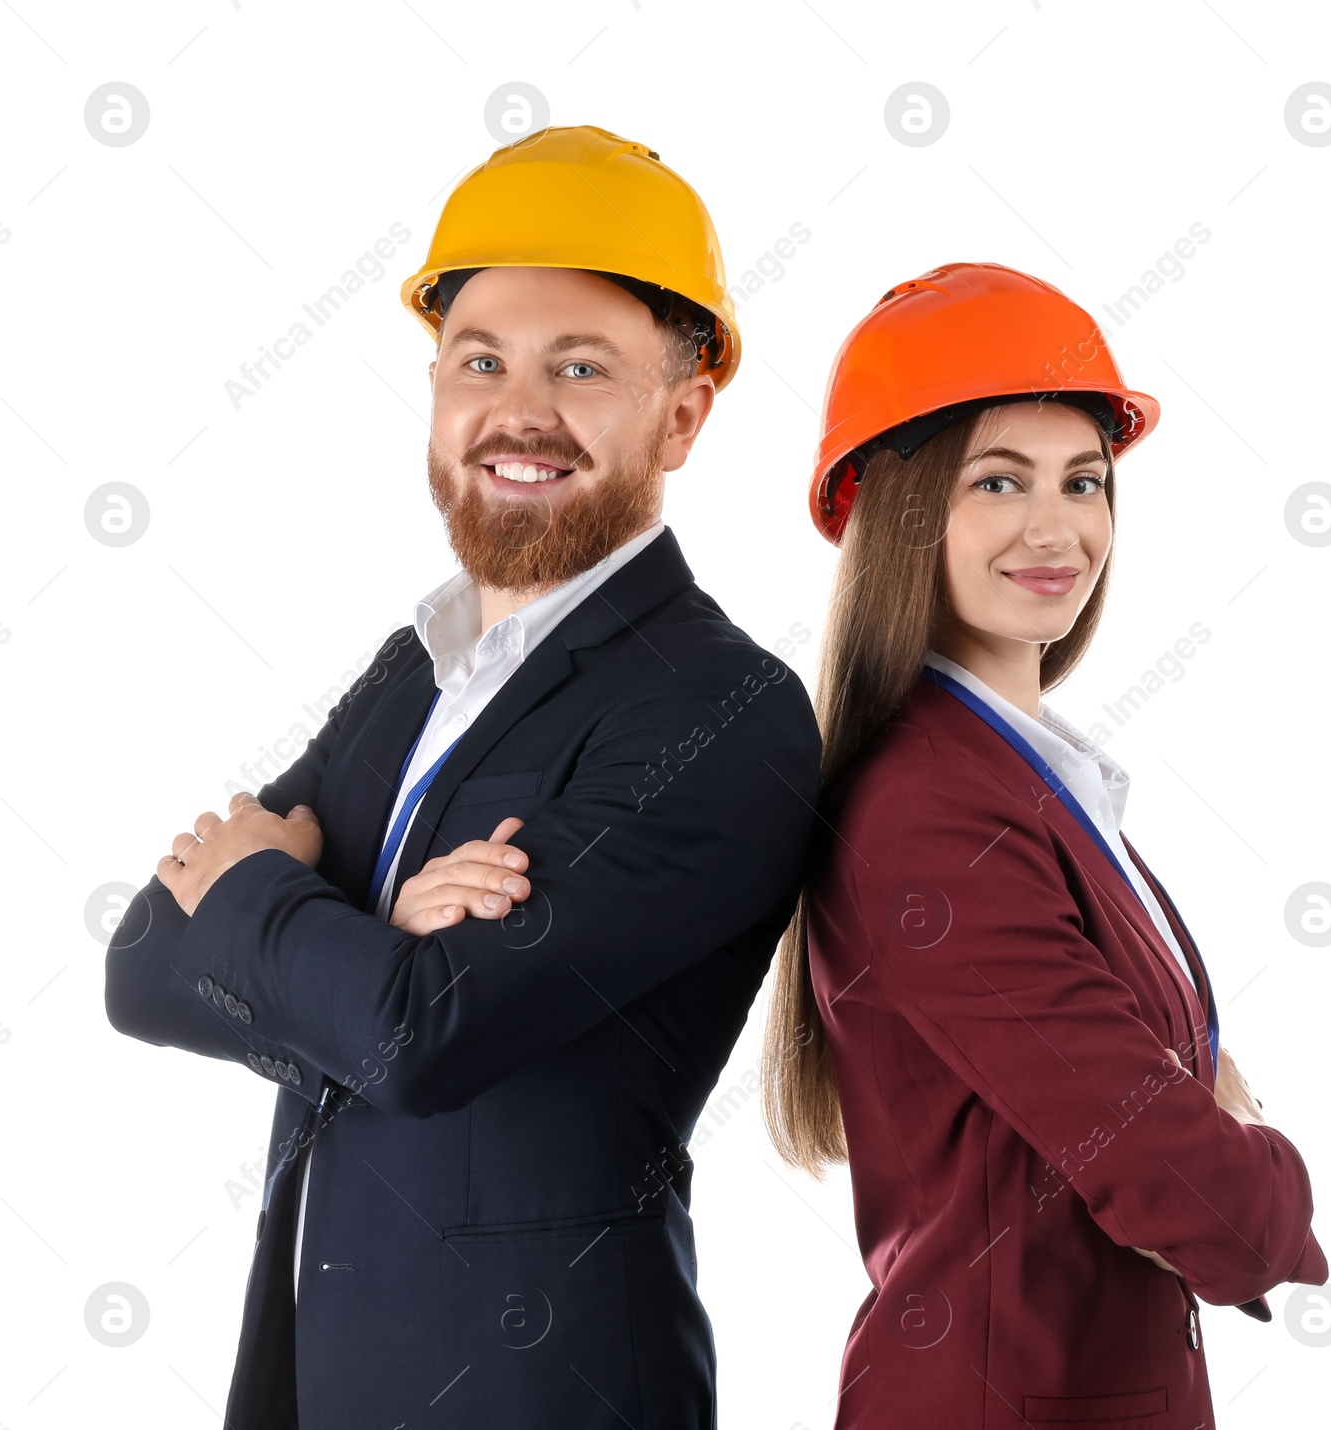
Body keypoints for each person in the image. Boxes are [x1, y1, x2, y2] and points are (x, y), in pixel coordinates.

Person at [104, 125, 820, 1430]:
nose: (518, 411)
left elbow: (414, 1039)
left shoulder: (725, 710)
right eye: (480, 361)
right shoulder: (417, 669)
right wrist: (374, 938)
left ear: (683, 411)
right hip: (316, 1375)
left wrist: (282, 907)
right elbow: (148, 959)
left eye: (581, 367)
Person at [762, 262, 1327, 1427]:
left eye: (1084, 480)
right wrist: (1263, 1162)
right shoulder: (931, 808)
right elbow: (1183, 1182)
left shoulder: (1015, 776)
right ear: (906, 510)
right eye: (998, 480)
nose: (1056, 524)